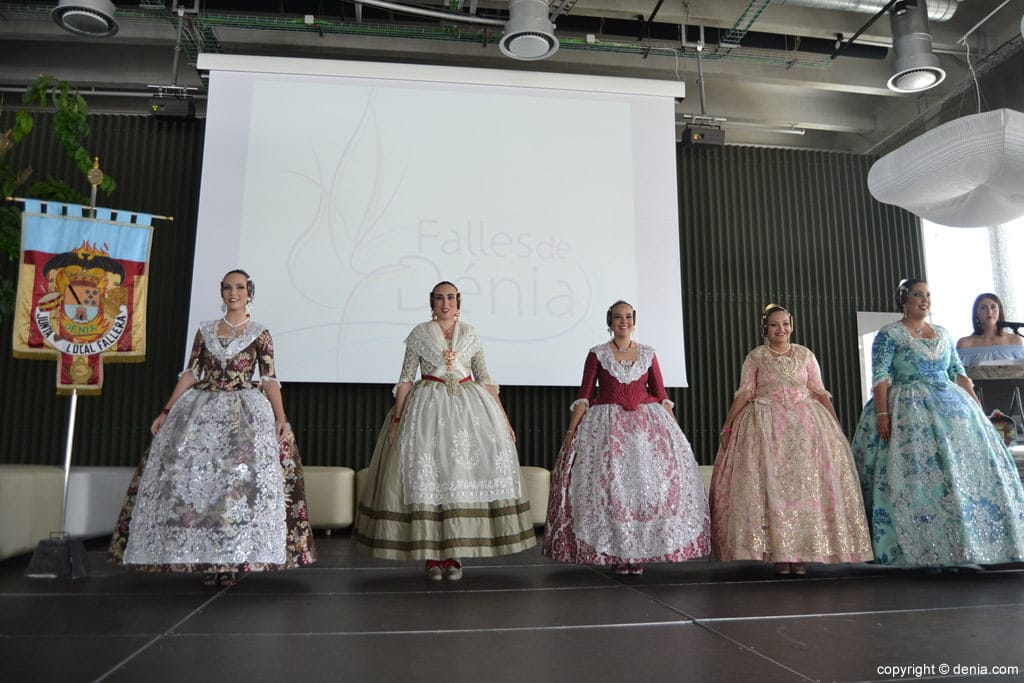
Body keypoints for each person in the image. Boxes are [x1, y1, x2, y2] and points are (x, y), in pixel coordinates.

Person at [110, 269, 317, 587]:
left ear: (249, 292)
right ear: (221, 292)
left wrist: (281, 419)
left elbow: (270, 379)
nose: (233, 293)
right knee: (199, 483)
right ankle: (203, 556)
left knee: (235, 487)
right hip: (201, 411)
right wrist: (167, 410)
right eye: (227, 288)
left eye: (239, 287)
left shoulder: (259, 333)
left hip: (244, 415)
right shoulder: (206, 330)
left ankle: (230, 559)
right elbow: (191, 373)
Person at [353, 281, 536, 580]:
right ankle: (432, 556)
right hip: (426, 411)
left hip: (468, 411)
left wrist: (503, 417)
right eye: (439, 298)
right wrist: (397, 419)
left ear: (458, 302)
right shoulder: (419, 334)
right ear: (432, 303)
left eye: (450, 297)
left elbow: (485, 377)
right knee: (431, 479)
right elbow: (405, 378)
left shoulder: (471, 334)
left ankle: (454, 554)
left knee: (458, 478)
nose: (445, 303)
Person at [851, 279, 1024, 569]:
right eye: (918, 295)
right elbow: (880, 376)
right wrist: (883, 414)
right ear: (904, 300)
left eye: (928, 295)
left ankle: (974, 542)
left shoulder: (943, 333)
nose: (924, 300)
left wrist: (978, 411)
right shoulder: (889, 334)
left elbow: (958, 373)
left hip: (952, 408)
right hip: (906, 408)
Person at [542, 300, 710, 575]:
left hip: (647, 428)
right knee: (611, 488)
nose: (624, 322)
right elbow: (584, 396)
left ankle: (640, 553)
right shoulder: (597, 354)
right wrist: (572, 432)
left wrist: (675, 433)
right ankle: (619, 552)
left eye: (628, 317)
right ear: (610, 322)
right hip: (608, 428)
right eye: (618, 317)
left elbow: (662, 394)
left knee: (645, 489)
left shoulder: (648, 353)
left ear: (634, 321)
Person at [710, 304, 873, 575]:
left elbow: (819, 391)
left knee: (804, 492)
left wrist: (834, 425)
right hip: (766, 429)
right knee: (773, 491)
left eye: (785, 323)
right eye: (775, 324)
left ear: (792, 325)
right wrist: (727, 426)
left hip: (805, 430)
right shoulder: (756, 357)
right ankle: (780, 554)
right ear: (765, 328)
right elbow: (745, 392)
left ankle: (800, 554)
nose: (781, 329)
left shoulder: (805, 355)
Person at [955, 292, 1024, 367]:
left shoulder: (1014, 340)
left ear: (999, 311)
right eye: (983, 308)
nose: (989, 311)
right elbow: (958, 375)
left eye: (993, 307)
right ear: (976, 314)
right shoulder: (965, 344)